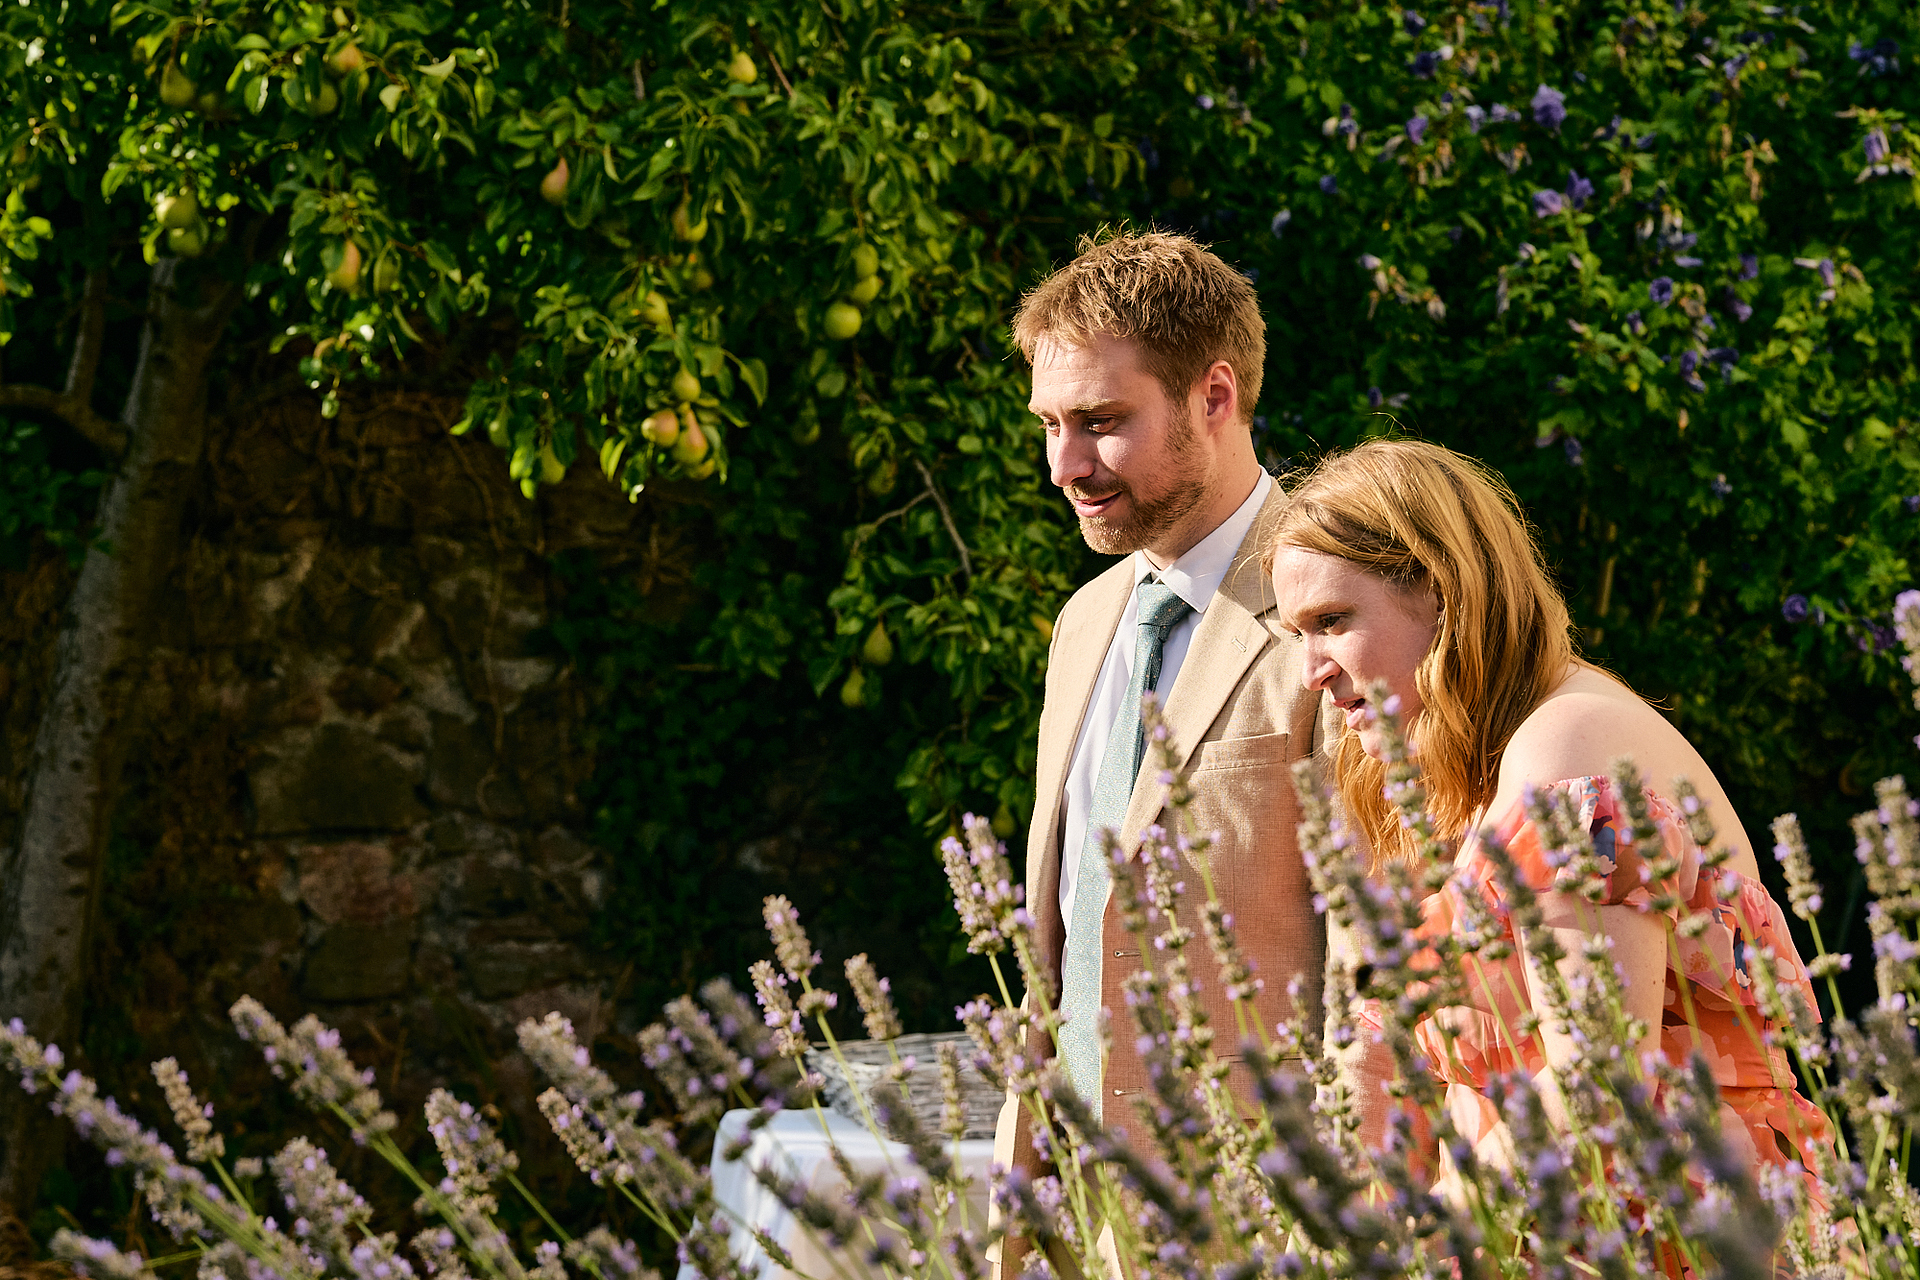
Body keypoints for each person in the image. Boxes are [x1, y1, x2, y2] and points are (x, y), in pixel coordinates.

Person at [1266, 438, 1827, 1255]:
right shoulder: (1473, 776)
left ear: (1441, 591)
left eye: (1332, 621)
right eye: (1298, 632)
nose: (1310, 669)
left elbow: (1598, 1080)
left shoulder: (1570, 744)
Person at [990, 229, 1341, 1280]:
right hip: (1066, 1216)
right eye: (1051, 425)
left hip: (1259, 1226)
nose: (1065, 465)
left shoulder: (1344, 611)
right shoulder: (1083, 622)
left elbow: (1389, 954)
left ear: (1214, 396)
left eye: (1101, 422)